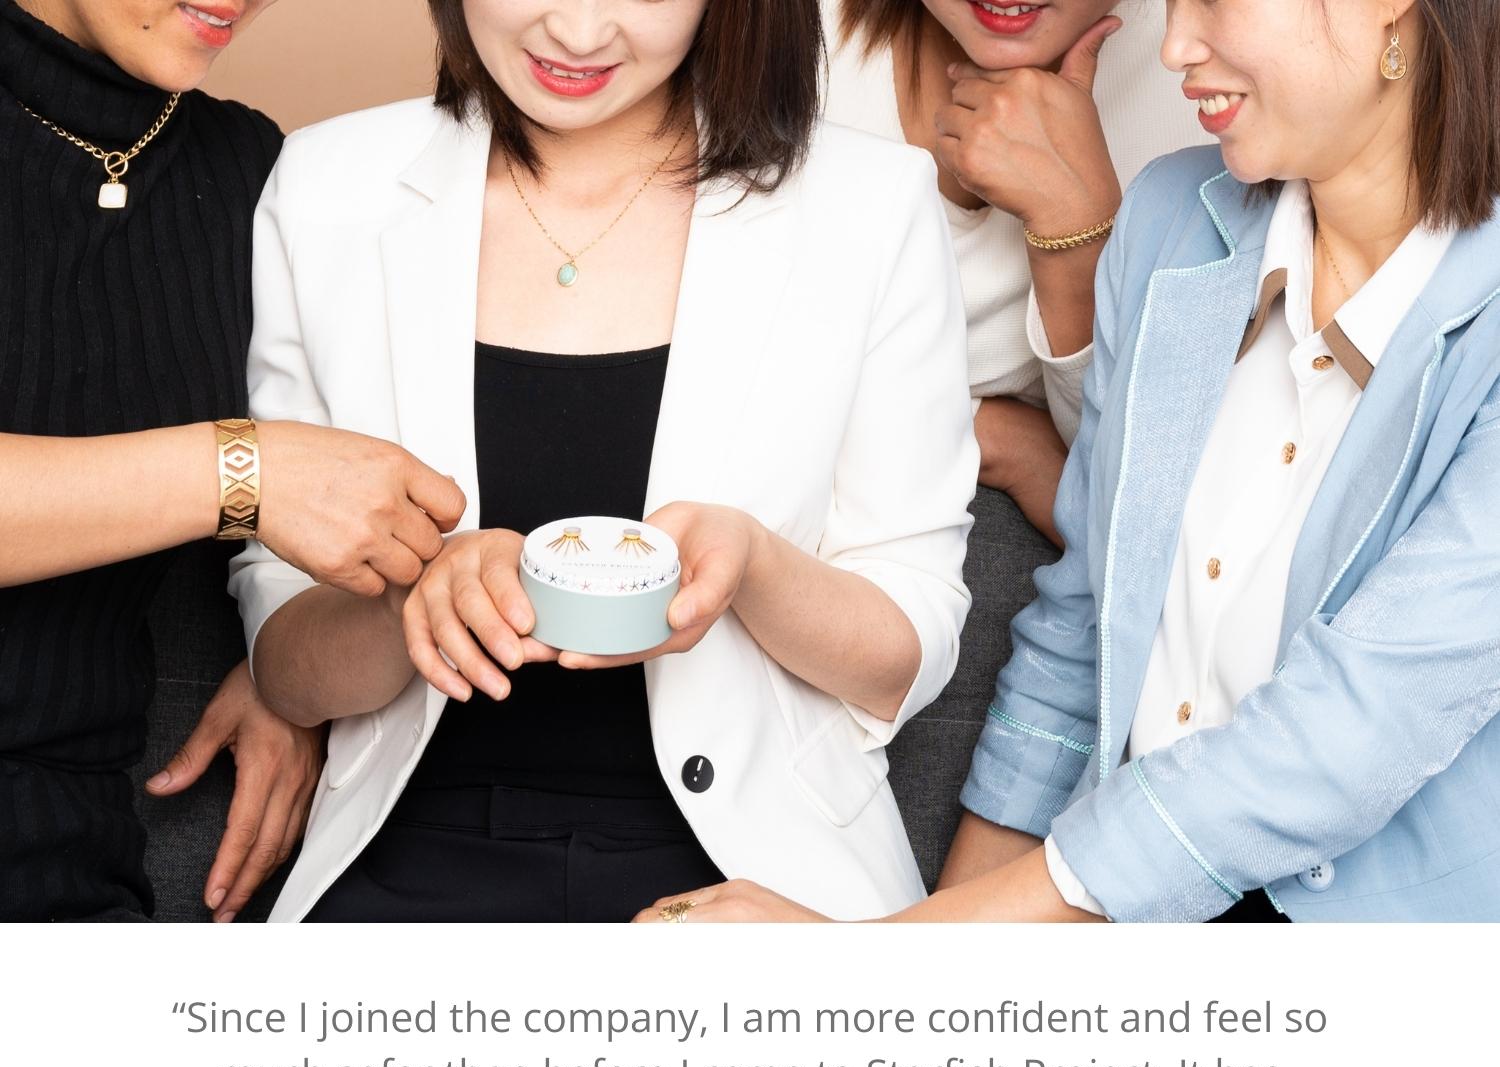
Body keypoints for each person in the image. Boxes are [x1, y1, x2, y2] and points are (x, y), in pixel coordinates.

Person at [641, 0, 1500, 923]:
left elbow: (1354, 730)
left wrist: (880, 965)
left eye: (1214, 1)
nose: (1174, 46)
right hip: (1107, 919)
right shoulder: (1177, 219)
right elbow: (1079, 642)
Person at [230, 0, 977, 922]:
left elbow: (908, 653)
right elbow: (284, 666)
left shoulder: (871, 204)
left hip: (755, 879)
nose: (579, 34)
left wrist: (750, 565)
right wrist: (411, 604)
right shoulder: (325, 188)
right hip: (409, 855)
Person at [0, 0, 467, 922]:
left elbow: (291, 543)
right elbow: (266, 477)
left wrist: (277, 673)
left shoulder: (248, 172)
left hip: (65, 862)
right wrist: (242, 475)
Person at [824, 0, 1201, 883]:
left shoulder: (1206, 77)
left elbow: (1174, 532)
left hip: (1044, 587)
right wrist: (989, 440)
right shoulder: (776, 45)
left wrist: (1078, 235)